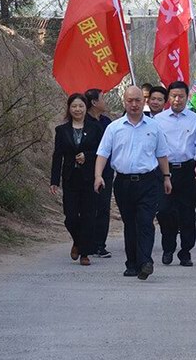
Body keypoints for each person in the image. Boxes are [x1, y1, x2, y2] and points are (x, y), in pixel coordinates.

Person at [94, 86, 172, 280]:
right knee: (130, 223)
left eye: (138, 100)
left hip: (148, 181)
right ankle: (132, 263)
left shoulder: (154, 127)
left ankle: (146, 262)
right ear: (124, 102)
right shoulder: (114, 127)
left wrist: (166, 177)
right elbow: (103, 153)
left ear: (143, 101)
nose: (134, 104)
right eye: (130, 100)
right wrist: (98, 175)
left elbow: (161, 154)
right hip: (123, 183)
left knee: (145, 221)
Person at [153, 81, 196, 267]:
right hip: (164, 172)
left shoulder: (194, 119)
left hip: (187, 170)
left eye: (181, 96)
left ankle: (185, 251)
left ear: (187, 97)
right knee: (165, 211)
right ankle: (168, 248)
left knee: (186, 213)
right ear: (169, 98)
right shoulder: (158, 120)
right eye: (174, 96)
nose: (177, 100)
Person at [50, 94, 104, 267]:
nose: (77, 109)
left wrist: (87, 156)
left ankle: (84, 253)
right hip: (70, 178)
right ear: (69, 108)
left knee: (88, 215)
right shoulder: (62, 130)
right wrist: (54, 180)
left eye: (80, 106)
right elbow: (57, 156)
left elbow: (101, 151)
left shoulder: (95, 128)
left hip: (90, 178)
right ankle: (78, 241)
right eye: (74, 106)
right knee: (70, 216)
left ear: (85, 107)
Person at [84, 88, 114, 259]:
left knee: (103, 208)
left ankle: (99, 245)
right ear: (94, 102)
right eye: (103, 98)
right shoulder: (83, 122)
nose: (105, 101)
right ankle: (85, 242)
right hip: (87, 172)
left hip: (106, 171)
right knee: (88, 208)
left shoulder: (106, 122)